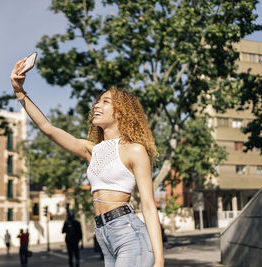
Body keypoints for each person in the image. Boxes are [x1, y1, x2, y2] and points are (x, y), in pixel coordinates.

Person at [10, 58, 164, 267]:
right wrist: (20, 92)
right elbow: (47, 127)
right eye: (97, 102)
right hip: (103, 234)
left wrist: (160, 260)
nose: (96, 105)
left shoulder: (134, 150)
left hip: (128, 232)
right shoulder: (92, 150)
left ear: (121, 111)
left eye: (105, 102)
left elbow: (148, 205)